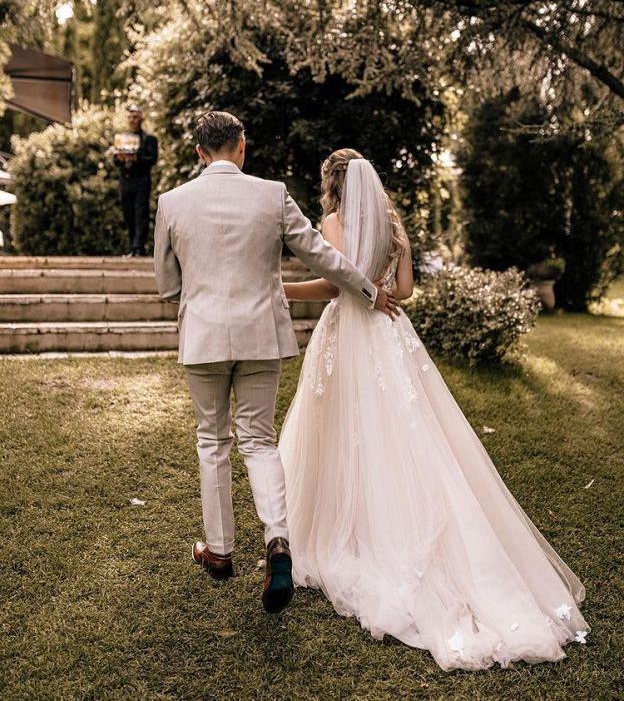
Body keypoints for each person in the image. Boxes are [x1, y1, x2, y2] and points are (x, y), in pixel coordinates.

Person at [279, 149, 590, 670]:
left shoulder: (332, 221)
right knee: (403, 434)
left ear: (334, 184)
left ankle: (347, 529)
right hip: (389, 336)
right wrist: (378, 288)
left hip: (350, 332)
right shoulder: (394, 228)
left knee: (341, 432)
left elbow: (337, 283)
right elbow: (403, 291)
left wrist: (283, 289)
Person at [152, 113, 399, 614]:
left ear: (199, 152)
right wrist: (371, 291)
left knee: (212, 440)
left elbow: (166, 286)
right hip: (262, 336)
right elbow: (321, 256)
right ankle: (279, 543)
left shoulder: (171, 203)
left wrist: (197, 299)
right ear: (242, 146)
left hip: (202, 337)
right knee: (259, 440)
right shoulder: (272, 194)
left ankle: (219, 551)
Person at [113, 104, 158, 257]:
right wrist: (119, 158)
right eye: (130, 117)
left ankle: (139, 247)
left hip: (141, 181)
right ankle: (133, 247)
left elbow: (152, 159)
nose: (132, 120)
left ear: (141, 119)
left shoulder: (150, 139)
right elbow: (116, 161)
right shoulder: (122, 138)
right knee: (128, 215)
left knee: (141, 214)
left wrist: (136, 158)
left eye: (135, 117)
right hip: (125, 181)